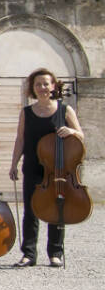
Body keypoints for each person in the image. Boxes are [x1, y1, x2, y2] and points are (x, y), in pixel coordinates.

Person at [9, 68, 85, 268]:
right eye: (38, 84)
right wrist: (14, 163)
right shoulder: (26, 112)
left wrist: (71, 130)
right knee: (31, 210)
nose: (42, 87)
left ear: (53, 86)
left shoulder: (64, 110)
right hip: (33, 166)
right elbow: (20, 139)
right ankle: (29, 254)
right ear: (32, 88)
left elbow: (81, 135)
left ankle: (55, 253)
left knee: (57, 208)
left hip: (58, 168)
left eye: (46, 83)